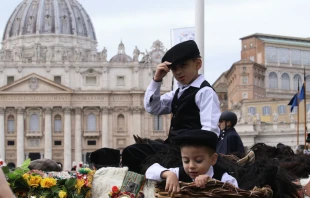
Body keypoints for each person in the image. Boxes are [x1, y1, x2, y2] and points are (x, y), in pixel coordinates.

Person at [122, 40, 221, 173]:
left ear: (198, 64)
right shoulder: (178, 92)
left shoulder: (205, 92)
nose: (179, 72)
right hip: (172, 148)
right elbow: (152, 107)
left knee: (134, 153)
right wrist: (157, 80)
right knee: (134, 150)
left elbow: (210, 130)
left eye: (183, 66)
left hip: (188, 154)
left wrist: (200, 161)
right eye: (174, 69)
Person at [145, 129, 238, 193]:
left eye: (198, 161)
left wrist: (213, 182)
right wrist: (168, 174)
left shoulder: (224, 178)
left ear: (213, 159)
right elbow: (150, 170)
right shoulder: (179, 173)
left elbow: (236, 192)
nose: (191, 166)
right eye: (186, 161)